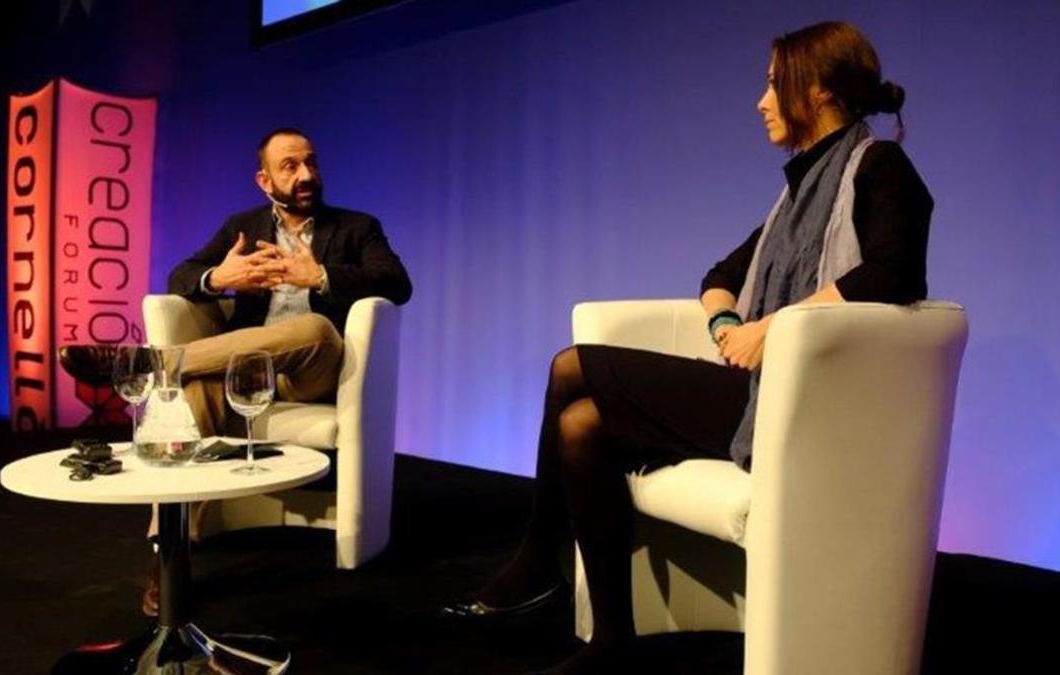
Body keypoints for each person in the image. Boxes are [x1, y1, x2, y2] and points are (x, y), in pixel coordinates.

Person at [441, 21, 933, 675]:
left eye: (771, 85)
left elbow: (896, 272)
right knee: (579, 422)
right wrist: (729, 326)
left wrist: (780, 324)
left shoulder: (880, 167)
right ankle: (612, 640)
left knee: (571, 364)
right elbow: (717, 278)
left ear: (815, 90)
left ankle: (537, 557)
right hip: (758, 386)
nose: (761, 102)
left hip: (808, 404)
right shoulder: (794, 194)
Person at [142, 127, 413, 614]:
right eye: (290, 166)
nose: (306, 174)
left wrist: (322, 276)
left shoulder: (356, 227)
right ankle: (171, 554)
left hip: (317, 368)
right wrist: (218, 278)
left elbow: (397, 283)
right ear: (264, 179)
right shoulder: (240, 227)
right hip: (245, 372)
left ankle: (158, 364)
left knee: (311, 328)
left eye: (311, 162)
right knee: (195, 391)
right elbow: (179, 276)